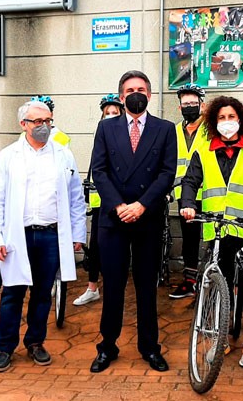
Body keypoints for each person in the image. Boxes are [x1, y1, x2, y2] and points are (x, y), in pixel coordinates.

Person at [0, 100, 87, 373]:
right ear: (24, 125)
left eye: (48, 121)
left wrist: (77, 234)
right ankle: (5, 347)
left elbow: (76, 198)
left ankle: (35, 342)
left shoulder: (63, 155)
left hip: (51, 236)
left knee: (42, 294)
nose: (44, 126)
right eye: (37, 122)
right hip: (16, 237)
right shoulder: (8, 156)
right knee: (12, 294)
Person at [180, 95, 243, 369]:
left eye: (231, 117)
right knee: (218, 287)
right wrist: (188, 205)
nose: (226, 123)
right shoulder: (203, 151)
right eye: (221, 118)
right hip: (218, 230)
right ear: (213, 122)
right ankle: (221, 338)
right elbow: (190, 181)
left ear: (241, 120)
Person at [89, 70, 177, 373]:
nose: (135, 93)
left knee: (146, 287)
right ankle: (107, 347)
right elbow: (98, 171)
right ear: (121, 96)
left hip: (148, 218)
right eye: (129, 90)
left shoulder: (165, 129)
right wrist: (119, 206)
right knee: (112, 285)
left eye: (141, 88)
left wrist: (141, 205)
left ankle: (150, 347)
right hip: (113, 220)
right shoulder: (106, 128)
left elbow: (167, 173)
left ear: (149, 95)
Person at [73, 94, 124, 306]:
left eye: (115, 113)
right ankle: (92, 287)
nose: (111, 117)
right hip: (100, 205)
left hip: (123, 205)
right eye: (107, 114)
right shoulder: (101, 136)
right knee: (96, 247)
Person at [170, 83, 209, 300]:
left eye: (193, 103)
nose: (189, 107)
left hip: (212, 194)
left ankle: (217, 281)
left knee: (214, 239)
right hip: (185, 198)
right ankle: (190, 280)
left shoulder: (211, 129)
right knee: (190, 240)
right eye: (186, 104)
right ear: (179, 108)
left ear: (202, 106)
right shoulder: (174, 131)